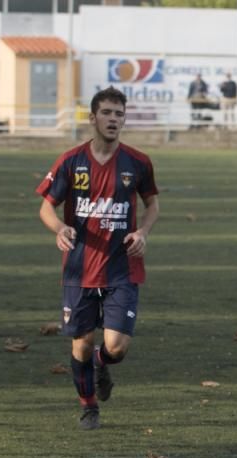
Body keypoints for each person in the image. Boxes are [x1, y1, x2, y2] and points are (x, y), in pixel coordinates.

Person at [35, 86, 160, 430]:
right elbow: (46, 207)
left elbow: (152, 205)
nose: (113, 119)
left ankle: (102, 364)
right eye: (106, 113)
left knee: (116, 346)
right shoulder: (71, 161)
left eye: (119, 114)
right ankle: (89, 407)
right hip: (80, 268)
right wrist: (59, 228)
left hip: (123, 267)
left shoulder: (137, 162)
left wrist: (143, 233)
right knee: (82, 342)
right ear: (92, 118)